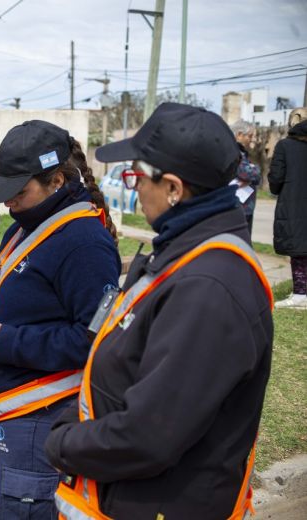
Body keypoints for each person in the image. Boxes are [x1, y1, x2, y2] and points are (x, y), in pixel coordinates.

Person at [45, 103, 275, 519]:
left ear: (173, 187)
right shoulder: (184, 252)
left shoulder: (208, 288)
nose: (133, 189)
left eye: (135, 176)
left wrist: (60, 443)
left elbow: (149, 435)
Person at [0, 120, 120, 519]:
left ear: (56, 180)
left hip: (45, 414)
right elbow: (13, 290)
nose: (9, 204)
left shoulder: (84, 244)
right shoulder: (29, 224)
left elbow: (95, 340)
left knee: (27, 508)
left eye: (19, 193)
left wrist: (8, 342)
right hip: (20, 412)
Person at [269, 107, 307, 309]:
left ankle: (301, 293)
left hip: (293, 204)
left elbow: (275, 180)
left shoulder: (285, 146)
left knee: (298, 249)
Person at [230, 119, 261, 236]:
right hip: (240, 207)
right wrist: (256, 169)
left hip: (244, 206)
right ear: (239, 135)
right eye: (249, 136)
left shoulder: (239, 152)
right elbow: (247, 173)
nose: (251, 139)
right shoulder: (235, 152)